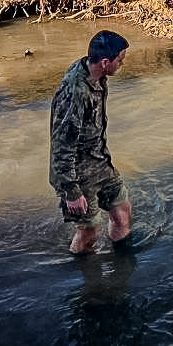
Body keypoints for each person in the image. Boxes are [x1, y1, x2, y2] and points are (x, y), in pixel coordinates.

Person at [50, 30, 133, 255]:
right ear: (105, 62)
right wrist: (71, 191)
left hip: (99, 162)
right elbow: (61, 145)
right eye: (120, 60)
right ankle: (85, 272)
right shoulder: (75, 92)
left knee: (122, 211)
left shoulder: (96, 75)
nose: (122, 64)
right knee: (89, 231)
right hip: (76, 173)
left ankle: (123, 263)